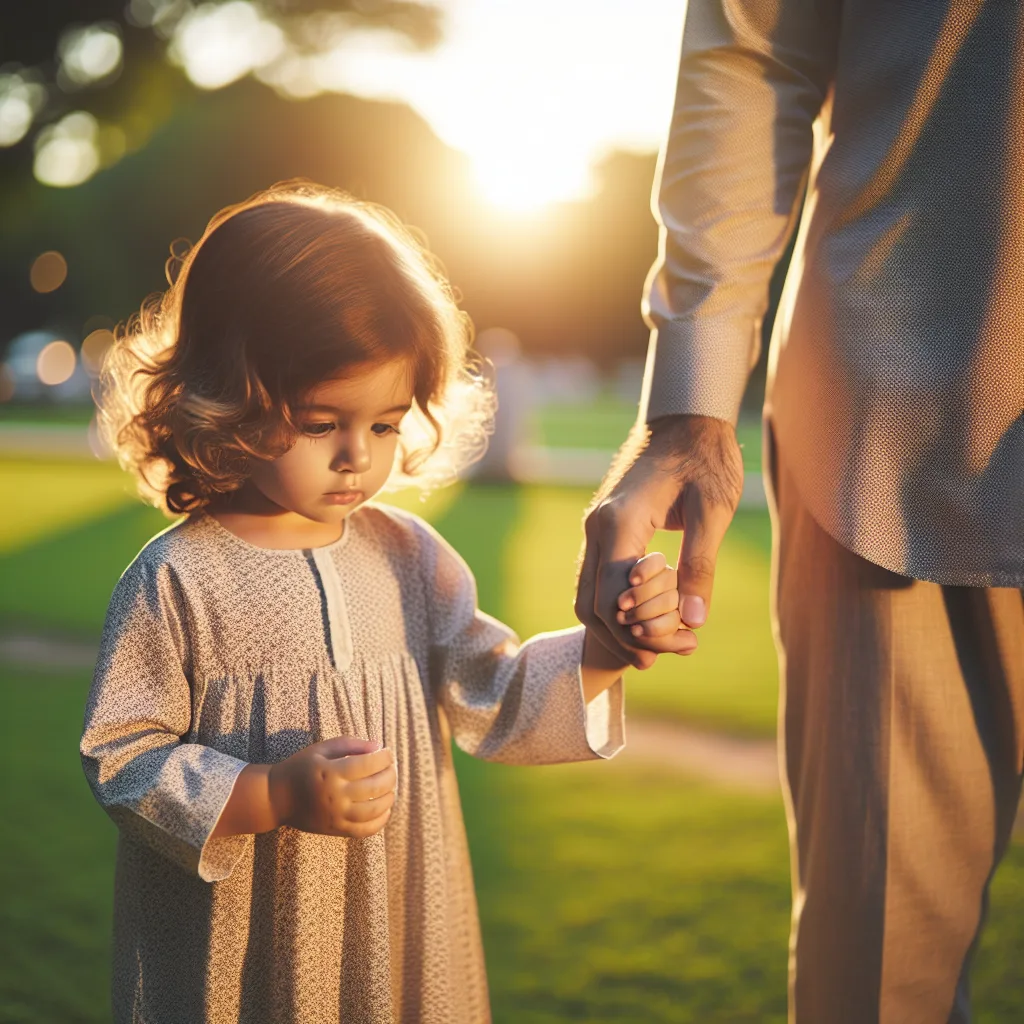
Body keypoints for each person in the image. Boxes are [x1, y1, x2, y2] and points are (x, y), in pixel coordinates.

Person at [80, 180, 681, 1024]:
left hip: (398, 910)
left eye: (388, 424)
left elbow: (494, 690)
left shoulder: (408, 555)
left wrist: (606, 651)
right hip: (248, 938)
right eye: (322, 422)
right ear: (228, 393)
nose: (359, 457)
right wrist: (270, 794)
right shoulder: (178, 581)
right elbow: (122, 756)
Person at [576, 2, 1024, 1022]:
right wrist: (689, 408)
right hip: (894, 431)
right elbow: (749, 48)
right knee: (876, 988)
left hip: (884, 419)